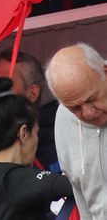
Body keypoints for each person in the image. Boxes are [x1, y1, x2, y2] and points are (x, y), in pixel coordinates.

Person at [0, 76, 72, 220]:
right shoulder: (16, 179)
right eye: (36, 133)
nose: (36, 140)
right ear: (23, 133)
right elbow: (79, 186)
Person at [46, 43, 107, 219]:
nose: (88, 113)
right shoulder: (63, 118)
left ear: (105, 71)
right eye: (75, 108)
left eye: (91, 99)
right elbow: (79, 193)